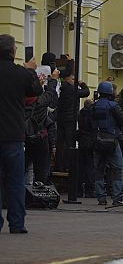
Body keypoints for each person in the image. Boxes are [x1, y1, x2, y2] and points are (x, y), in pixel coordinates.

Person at [0, 35, 43, 234]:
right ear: (13, 52)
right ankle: (17, 223)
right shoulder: (21, 73)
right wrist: (31, 70)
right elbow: (36, 90)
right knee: (16, 181)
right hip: (13, 134)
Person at [90, 81, 123, 206]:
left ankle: (101, 197)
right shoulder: (113, 106)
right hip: (112, 140)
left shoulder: (94, 106)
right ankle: (117, 197)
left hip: (98, 140)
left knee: (99, 169)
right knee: (117, 168)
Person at [24, 68, 60, 185]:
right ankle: (39, 194)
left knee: (21, 170)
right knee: (41, 171)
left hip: (22, 138)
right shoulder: (41, 101)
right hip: (40, 137)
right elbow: (50, 93)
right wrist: (53, 80)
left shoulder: (18, 101)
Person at [55, 67, 90, 172]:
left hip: (61, 118)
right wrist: (82, 83)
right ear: (67, 79)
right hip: (70, 119)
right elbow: (86, 92)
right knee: (69, 142)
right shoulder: (71, 89)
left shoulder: (61, 88)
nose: (74, 80)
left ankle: (59, 165)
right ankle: (68, 165)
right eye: (72, 78)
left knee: (60, 142)